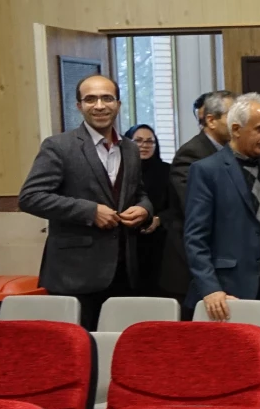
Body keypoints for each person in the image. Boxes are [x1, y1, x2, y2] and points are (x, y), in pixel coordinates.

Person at [18, 75, 151, 331]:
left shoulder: (130, 149)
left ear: (118, 104)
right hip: (74, 275)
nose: (99, 106)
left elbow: (139, 193)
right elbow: (30, 197)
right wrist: (89, 211)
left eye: (107, 98)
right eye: (90, 99)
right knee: (76, 347)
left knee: (118, 344)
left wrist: (145, 209)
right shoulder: (59, 146)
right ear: (79, 106)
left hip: (124, 271)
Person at [183, 93, 260, 318]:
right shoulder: (207, 171)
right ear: (236, 129)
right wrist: (211, 288)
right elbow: (195, 238)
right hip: (226, 293)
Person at [162, 90, 235, 308]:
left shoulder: (233, 152)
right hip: (191, 270)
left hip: (225, 264)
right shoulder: (192, 153)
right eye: (233, 116)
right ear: (211, 121)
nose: (239, 123)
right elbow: (194, 208)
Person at [127, 125, 169, 297]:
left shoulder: (167, 171)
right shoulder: (120, 172)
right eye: (138, 141)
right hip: (127, 242)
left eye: (150, 141)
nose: (144, 145)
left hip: (158, 244)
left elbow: (177, 207)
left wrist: (159, 219)